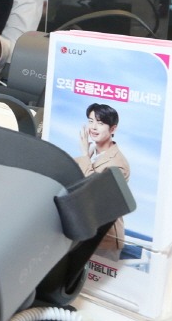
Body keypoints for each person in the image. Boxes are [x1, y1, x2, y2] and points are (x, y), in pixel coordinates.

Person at [76, 103, 131, 260]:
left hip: (105, 240)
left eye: (100, 123)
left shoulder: (118, 164)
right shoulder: (91, 153)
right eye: (91, 121)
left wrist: (84, 155)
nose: (93, 127)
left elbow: (95, 192)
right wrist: (86, 156)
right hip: (84, 232)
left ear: (113, 129)